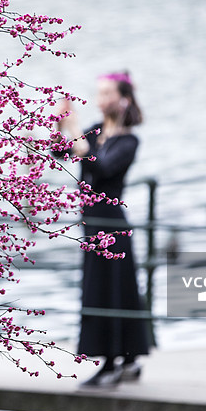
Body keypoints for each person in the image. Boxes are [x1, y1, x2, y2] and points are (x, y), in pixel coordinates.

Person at [53, 70, 150, 387]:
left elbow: (104, 167)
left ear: (123, 100)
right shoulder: (94, 132)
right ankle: (129, 361)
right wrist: (60, 124)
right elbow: (60, 151)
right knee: (104, 291)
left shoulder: (128, 141)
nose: (101, 99)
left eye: (108, 93)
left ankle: (113, 364)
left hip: (112, 226)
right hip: (91, 225)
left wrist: (77, 135)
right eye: (99, 93)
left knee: (114, 292)